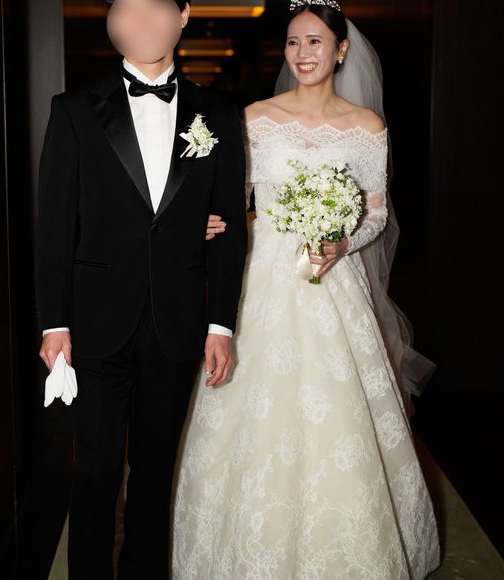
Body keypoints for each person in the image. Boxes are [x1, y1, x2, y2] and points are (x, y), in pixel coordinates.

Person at [172, 1, 441, 577]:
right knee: (252, 409)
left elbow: (375, 213)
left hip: (333, 283)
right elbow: (236, 199)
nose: (303, 53)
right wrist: (211, 219)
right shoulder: (255, 118)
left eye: (315, 41)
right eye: (294, 42)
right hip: (263, 280)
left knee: (338, 416)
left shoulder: (366, 127)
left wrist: (342, 243)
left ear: (340, 50)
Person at [34, 0, 247, 576]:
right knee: (96, 472)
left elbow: (229, 228)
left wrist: (220, 324)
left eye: (154, 8)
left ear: (183, 15)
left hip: (177, 321)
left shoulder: (218, 114)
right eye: (126, 9)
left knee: (155, 474)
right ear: (110, 19)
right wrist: (54, 321)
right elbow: (54, 226)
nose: (141, 22)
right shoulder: (74, 109)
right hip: (96, 323)